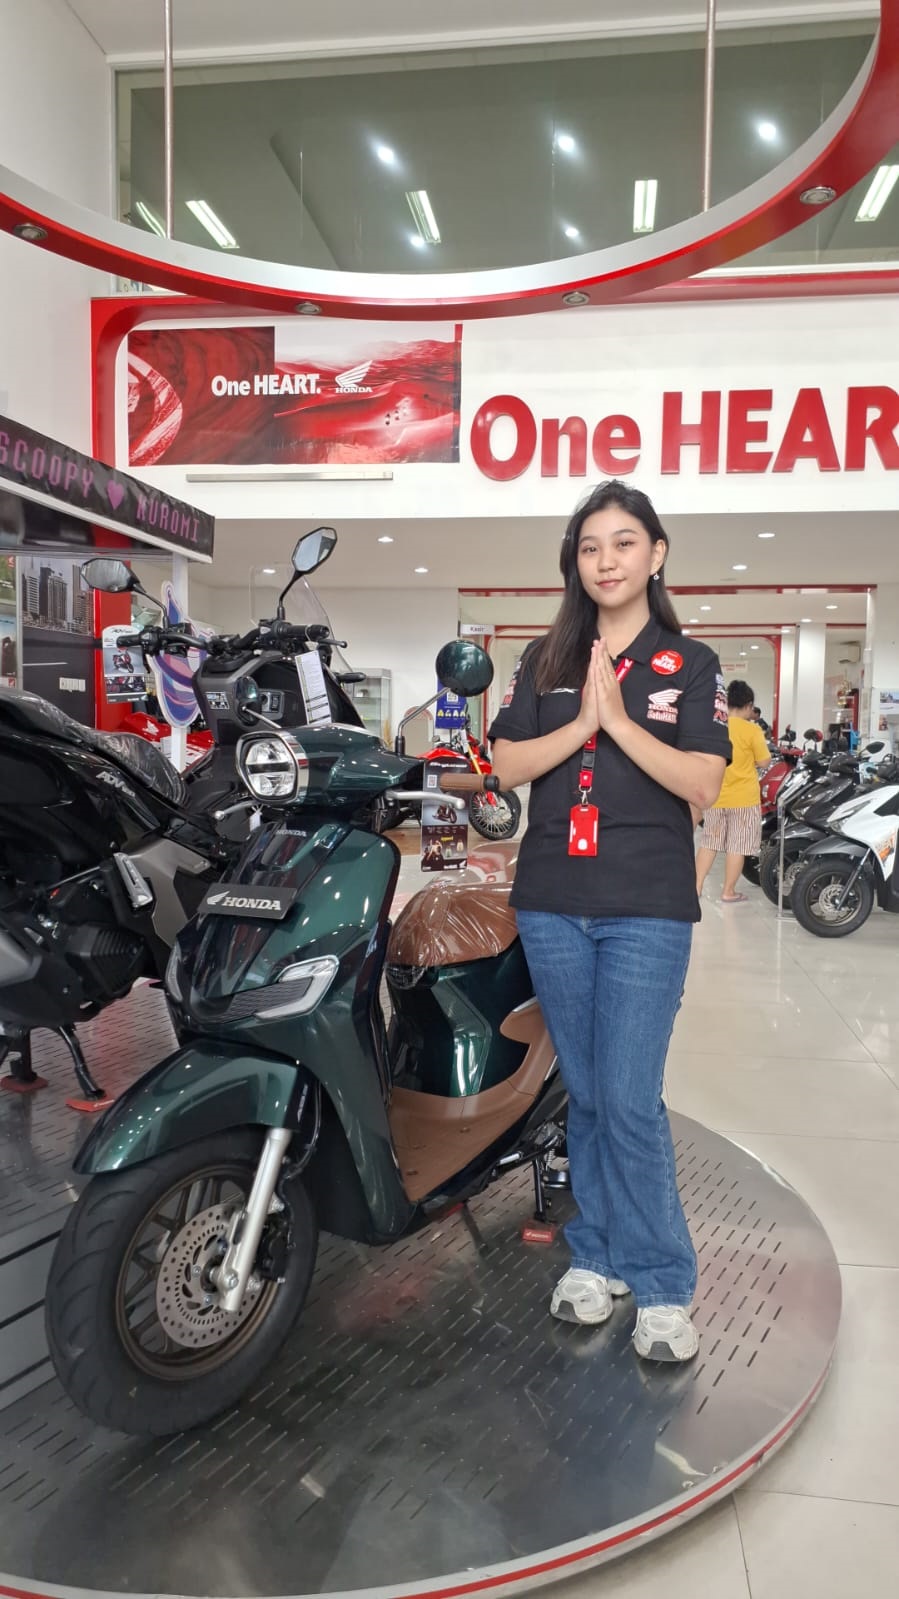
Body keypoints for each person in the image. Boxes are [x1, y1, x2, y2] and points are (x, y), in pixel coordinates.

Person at [489, 480, 729, 1363]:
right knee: (586, 1094)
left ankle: (661, 1280)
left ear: (655, 554)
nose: (606, 560)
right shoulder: (544, 656)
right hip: (552, 898)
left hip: (644, 905)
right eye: (589, 546)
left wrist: (618, 724)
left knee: (628, 1098)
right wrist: (583, 721)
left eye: (624, 542)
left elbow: (702, 782)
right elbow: (506, 763)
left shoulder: (688, 662)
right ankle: (595, 1255)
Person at [695, 681, 771, 903]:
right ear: (748, 705)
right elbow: (764, 761)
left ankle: (696, 887)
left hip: (716, 795)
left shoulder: (716, 725)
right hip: (743, 798)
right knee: (737, 846)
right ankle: (728, 892)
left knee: (709, 842)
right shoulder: (752, 729)